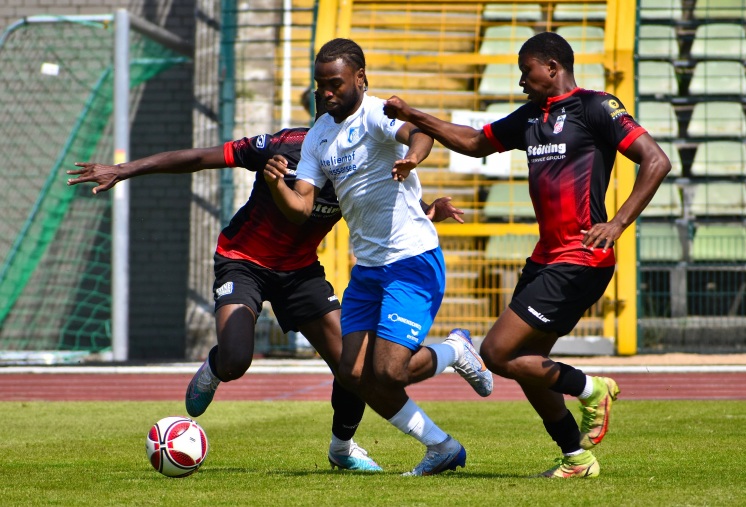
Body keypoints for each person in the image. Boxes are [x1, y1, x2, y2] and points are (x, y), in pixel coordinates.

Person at [65, 90, 464, 472]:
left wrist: (429, 211)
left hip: (301, 272)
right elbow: (201, 158)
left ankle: (342, 448)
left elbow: (379, 204)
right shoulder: (283, 146)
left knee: (350, 366)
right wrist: (124, 169)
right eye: (321, 97)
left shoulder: (357, 160)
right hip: (244, 262)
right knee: (238, 357)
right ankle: (216, 367)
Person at [383, 31, 672, 478]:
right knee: (530, 366)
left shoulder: (597, 106)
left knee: (497, 353)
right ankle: (576, 458)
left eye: (526, 71)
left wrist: (616, 224)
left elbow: (656, 161)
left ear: (552, 67)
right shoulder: (531, 117)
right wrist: (412, 114)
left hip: (582, 257)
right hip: (546, 257)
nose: (521, 81)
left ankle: (592, 389)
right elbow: (476, 142)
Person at [263, 37, 494, 477]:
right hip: (368, 269)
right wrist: (278, 186)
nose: (326, 92)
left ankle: (455, 350)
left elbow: (419, 133)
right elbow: (303, 209)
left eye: (335, 83)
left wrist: (411, 160)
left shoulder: (375, 114)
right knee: (352, 374)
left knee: (390, 372)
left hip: (411, 260)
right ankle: (442, 447)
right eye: (320, 85)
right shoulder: (317, 138)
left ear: (360, 79)